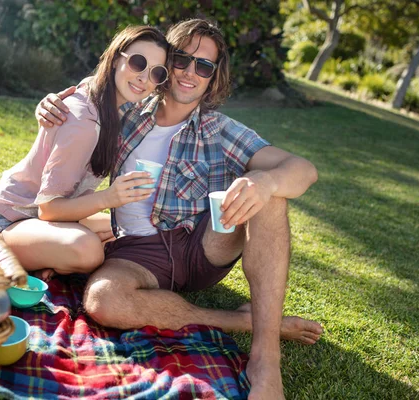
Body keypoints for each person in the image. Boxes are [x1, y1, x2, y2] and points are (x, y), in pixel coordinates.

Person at [36, 19, 323, 400]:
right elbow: (87, 100)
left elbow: (303, 169)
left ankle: (265, 358)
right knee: (102, 300)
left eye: (204, 66)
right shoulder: (129, 113)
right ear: (167, 64)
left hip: (201, 245)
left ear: (213, 77)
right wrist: (51, 104)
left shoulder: (219, 130)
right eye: (183, 60)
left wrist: (265, 182)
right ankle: (245, 320)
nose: (191, 73)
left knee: (272, 197)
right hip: (136, 251)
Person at [0, 26, 170, 281]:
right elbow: (48, 209)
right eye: (138, 63)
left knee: (132, 230)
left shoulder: (112, 103)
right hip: (10, 221)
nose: (144, 78)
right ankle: (24, 254)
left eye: (156, 73)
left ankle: (47, 257)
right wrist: (109, 198)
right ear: (116, 58)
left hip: (49, 222)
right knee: (89, 251)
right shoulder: (85, 123)